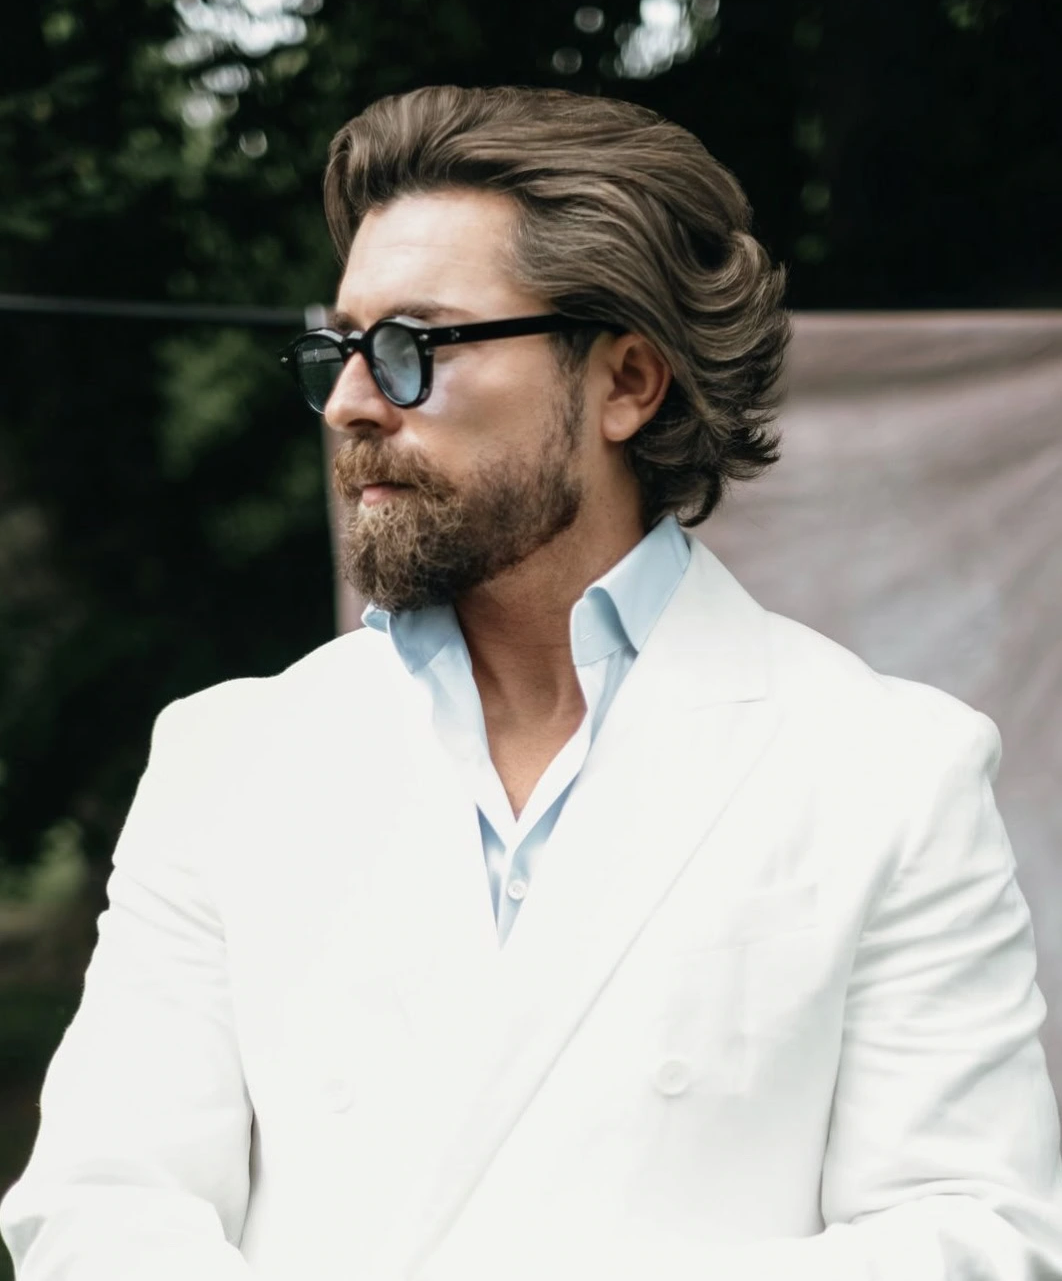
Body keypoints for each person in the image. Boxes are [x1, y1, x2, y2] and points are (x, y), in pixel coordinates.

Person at [2, 84, 1061, 1281]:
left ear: (627, 381)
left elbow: (972, 1231)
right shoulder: (226, 756)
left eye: (412, 348)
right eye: (340, 347)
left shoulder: (890, 769)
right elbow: (102, 1207)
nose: (348, 402)